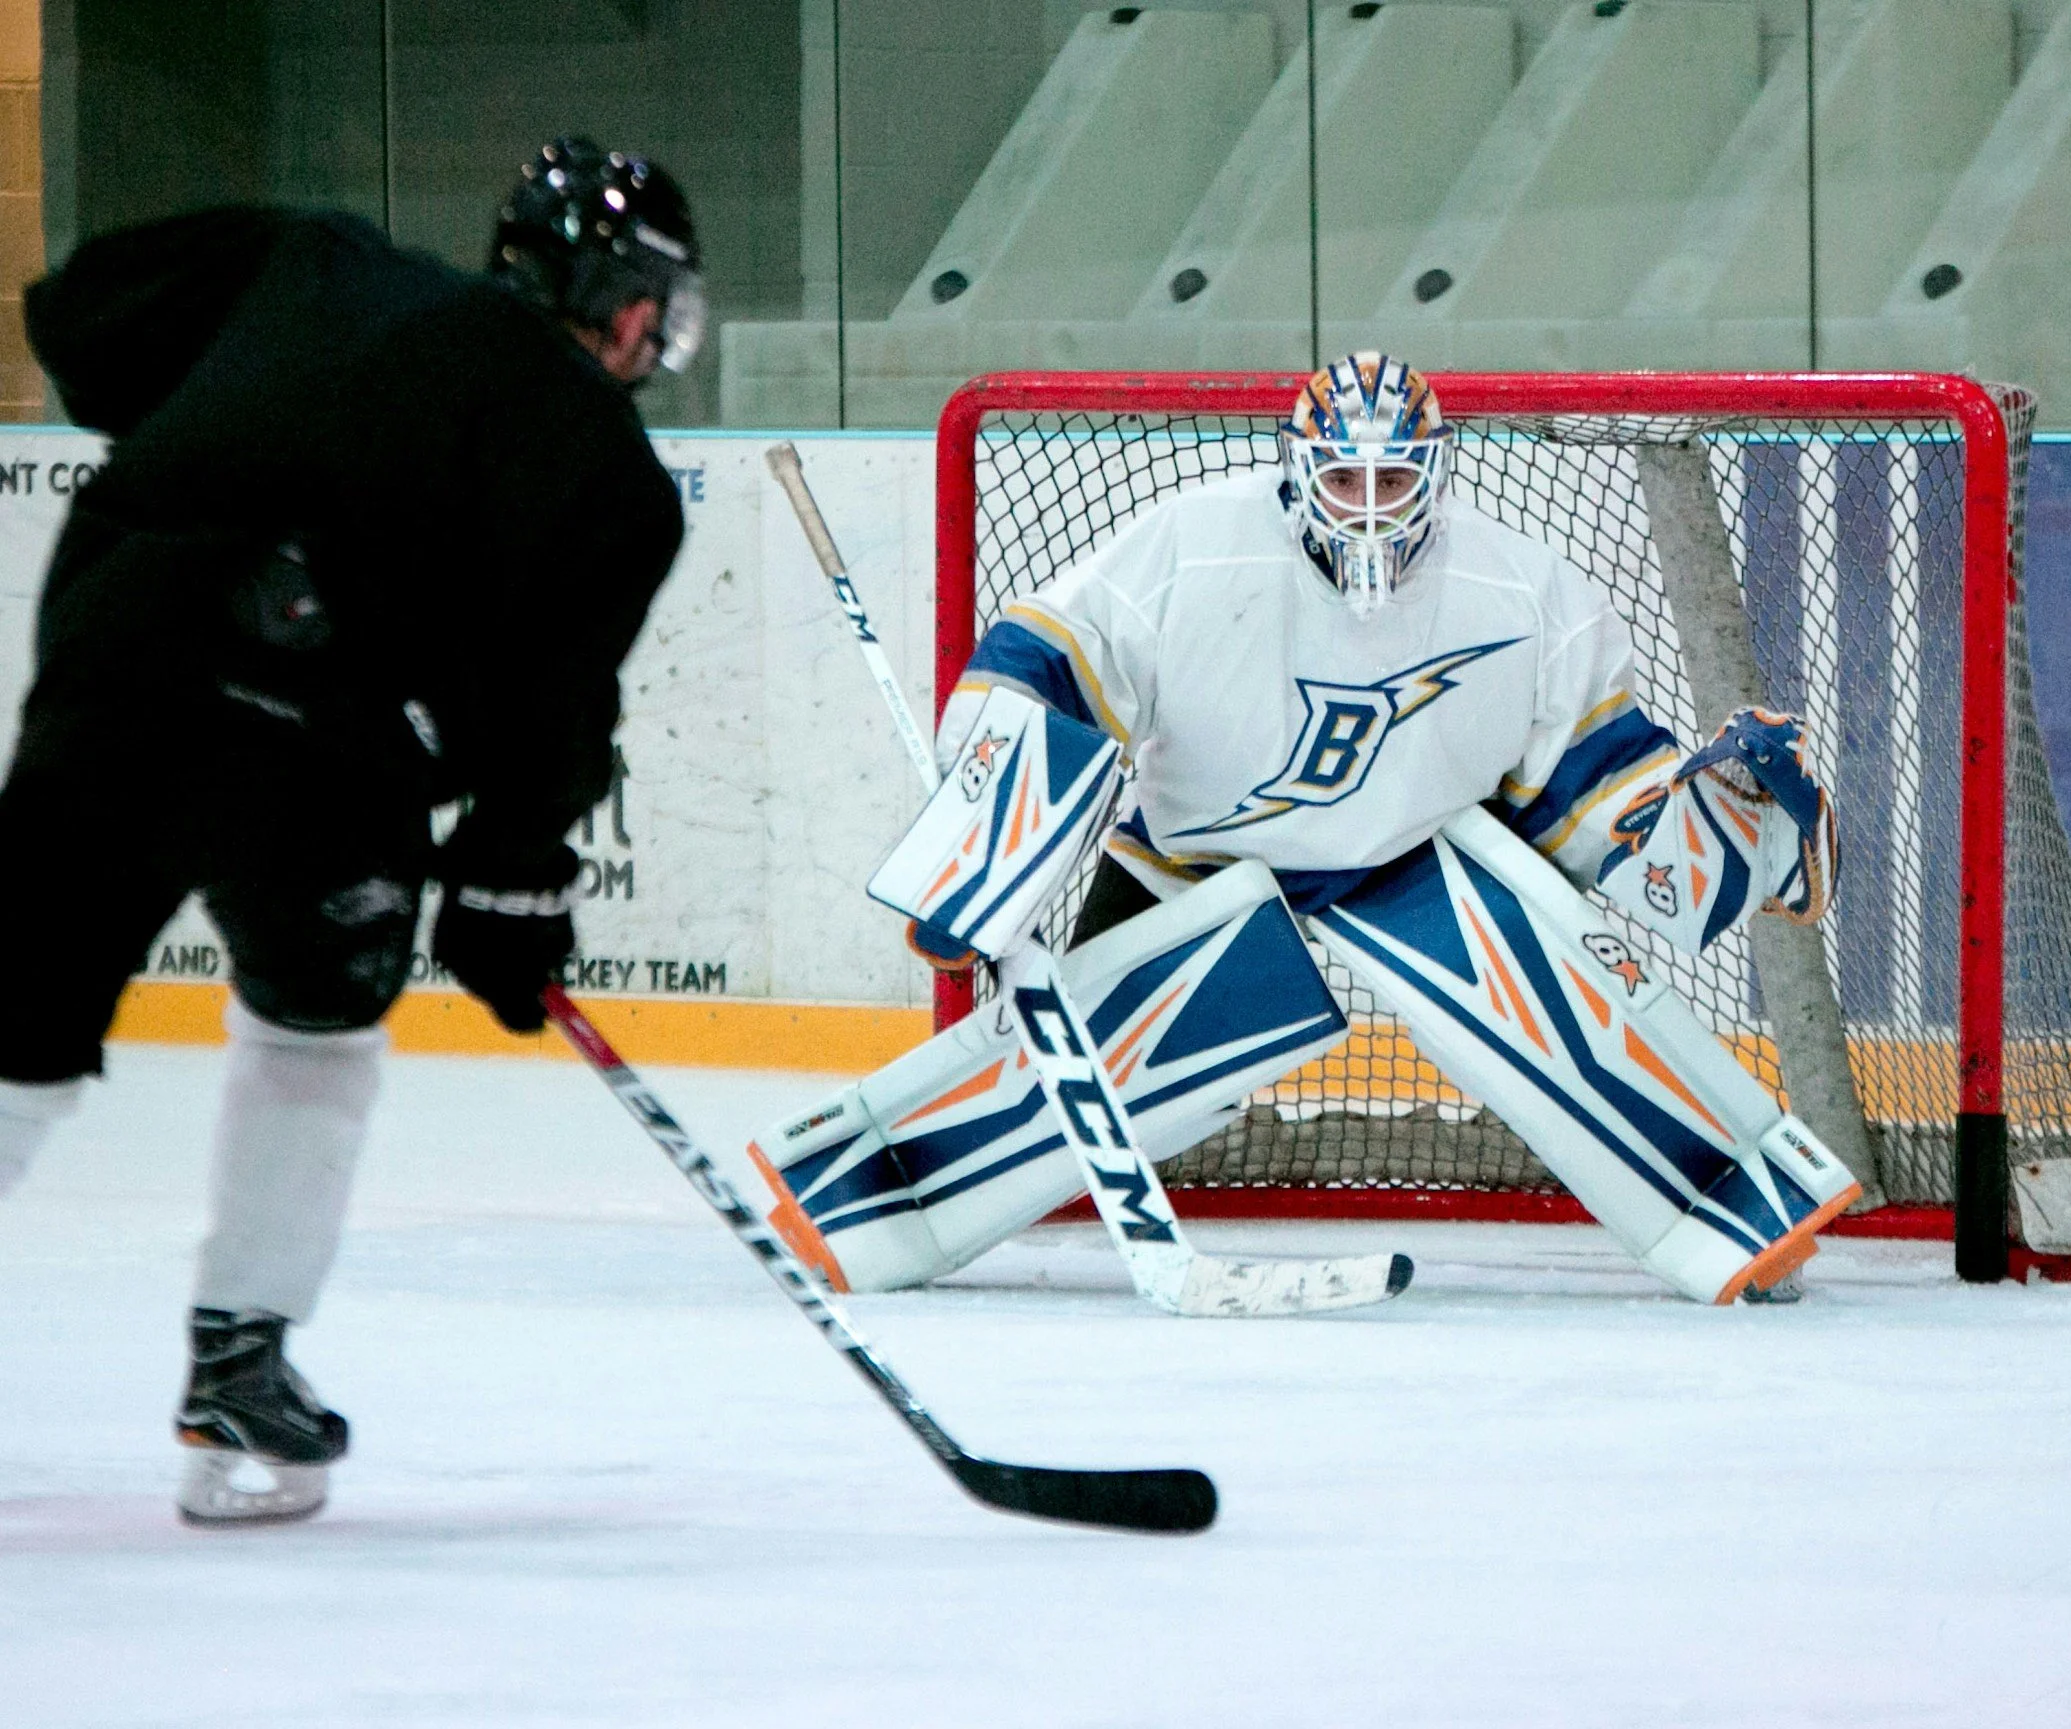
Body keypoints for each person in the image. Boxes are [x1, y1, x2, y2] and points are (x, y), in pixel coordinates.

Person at [762, 354, 1853, 1310]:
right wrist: (982, 838)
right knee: (1089, 1061)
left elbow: (1591, 789)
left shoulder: (1522, 588)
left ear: (1437, 473)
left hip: (1408, 858)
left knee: (1562, 1015)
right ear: (1297, 470)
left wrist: (1726, 831)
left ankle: (1729, 1197)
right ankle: (871, 1186)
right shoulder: (1194, 545)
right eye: (1344, 479)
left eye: (1393, 479)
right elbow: (1054, 656)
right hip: (1196, 849)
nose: (1369, 507)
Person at [0, 139, 699, 1523]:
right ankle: (240, 1369)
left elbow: (78, 314)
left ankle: (239, 1368)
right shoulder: (615, 476)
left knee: (10, 1018)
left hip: (129, 656)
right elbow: (555, 719)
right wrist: (510, 892)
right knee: (315, 1029)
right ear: (629, 307)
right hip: (329, 751)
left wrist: (225, 425)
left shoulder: (316, 260)